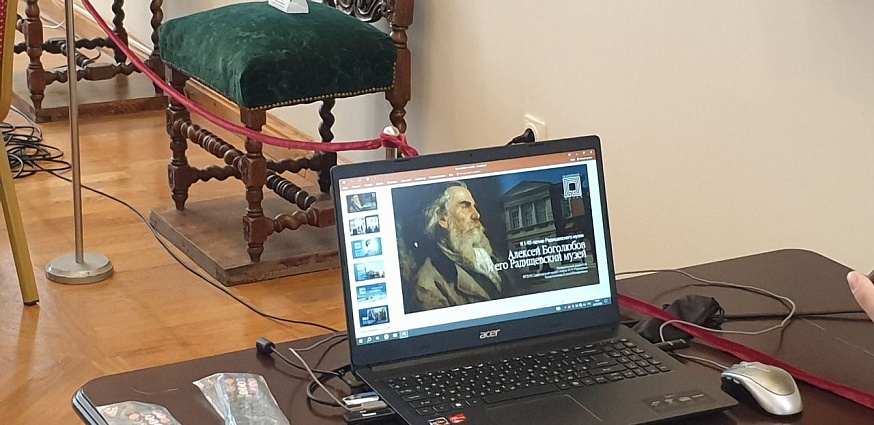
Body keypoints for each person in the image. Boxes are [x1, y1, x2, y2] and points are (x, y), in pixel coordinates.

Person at [414, 182, 506, 311]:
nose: (476, 215)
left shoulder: (488, 255)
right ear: (442, 219)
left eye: (474, 207)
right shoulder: (428, 285)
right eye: (465, 207)